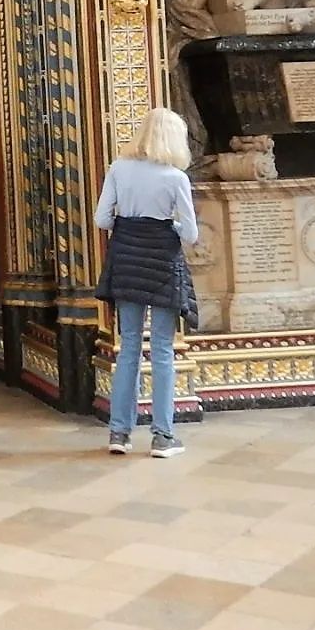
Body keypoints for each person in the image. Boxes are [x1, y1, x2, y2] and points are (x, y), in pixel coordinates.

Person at [92, 108, 201, 459]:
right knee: (163, 350)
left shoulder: (119, 168)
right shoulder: (175, 178)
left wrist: (130, 226)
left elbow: (101, 218)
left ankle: (119, 432)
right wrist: (166, 226)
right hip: (161, 261)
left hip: (126, 257)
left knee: (128, 347)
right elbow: (191, 233)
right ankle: (163, 435)